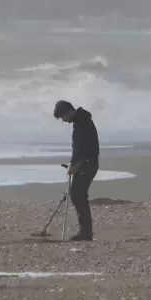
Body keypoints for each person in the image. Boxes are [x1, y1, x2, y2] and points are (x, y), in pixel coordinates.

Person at [54, 100, 99, 241]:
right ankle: (85, 231)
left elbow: (80, 147)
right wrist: (73, 162)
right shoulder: (81, 121)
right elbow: (80, 148)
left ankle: (85, 232)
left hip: (87, 163)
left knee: (77, 194)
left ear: (69, 111)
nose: (64, 120)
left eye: (63, 117)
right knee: (78, 194)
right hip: (86, 162)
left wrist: (74, 164)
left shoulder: (81, 123)